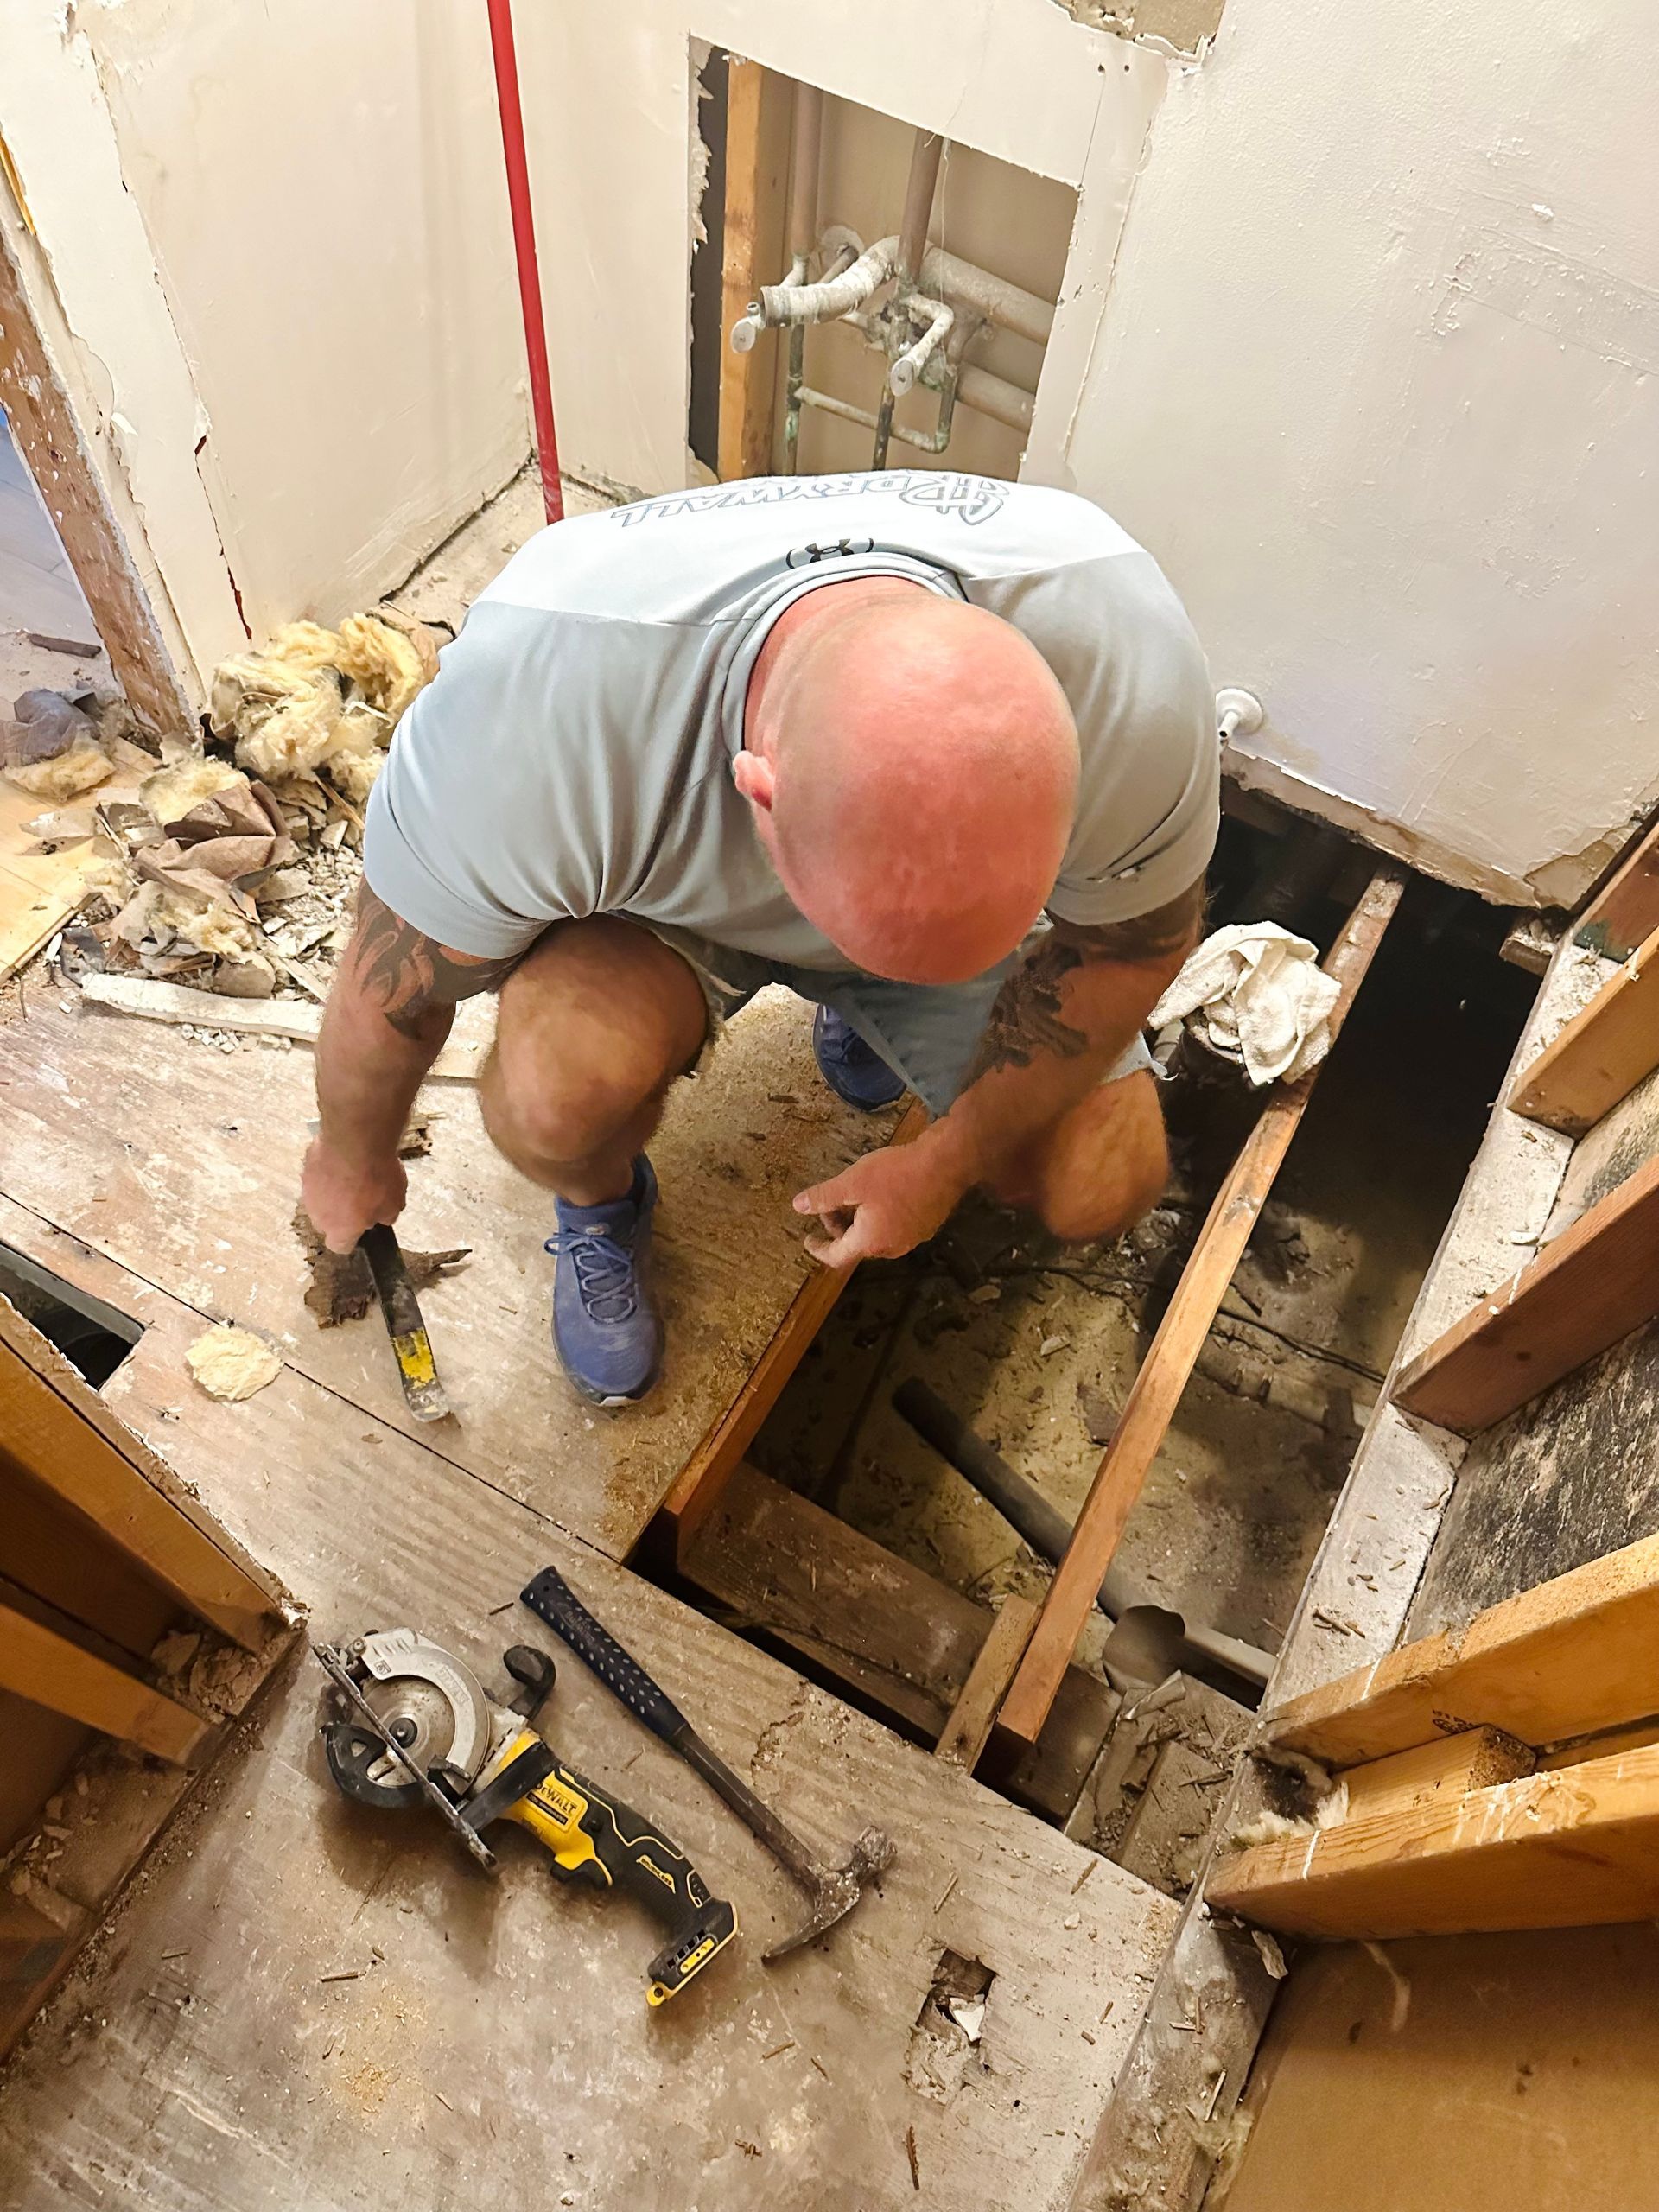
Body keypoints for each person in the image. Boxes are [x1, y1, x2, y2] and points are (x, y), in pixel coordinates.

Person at [302, 469, 1217, 1408]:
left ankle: (881, 1001)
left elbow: (1131, 946)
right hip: (667, 914)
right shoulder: (530, 719)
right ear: (757, 790)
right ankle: (602, 1204)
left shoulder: (1123, 669)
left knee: (1105, 1176)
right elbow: (393, 992)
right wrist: (351, 1155)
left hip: (915, 893)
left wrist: (943, 1166)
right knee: (548, 1099)